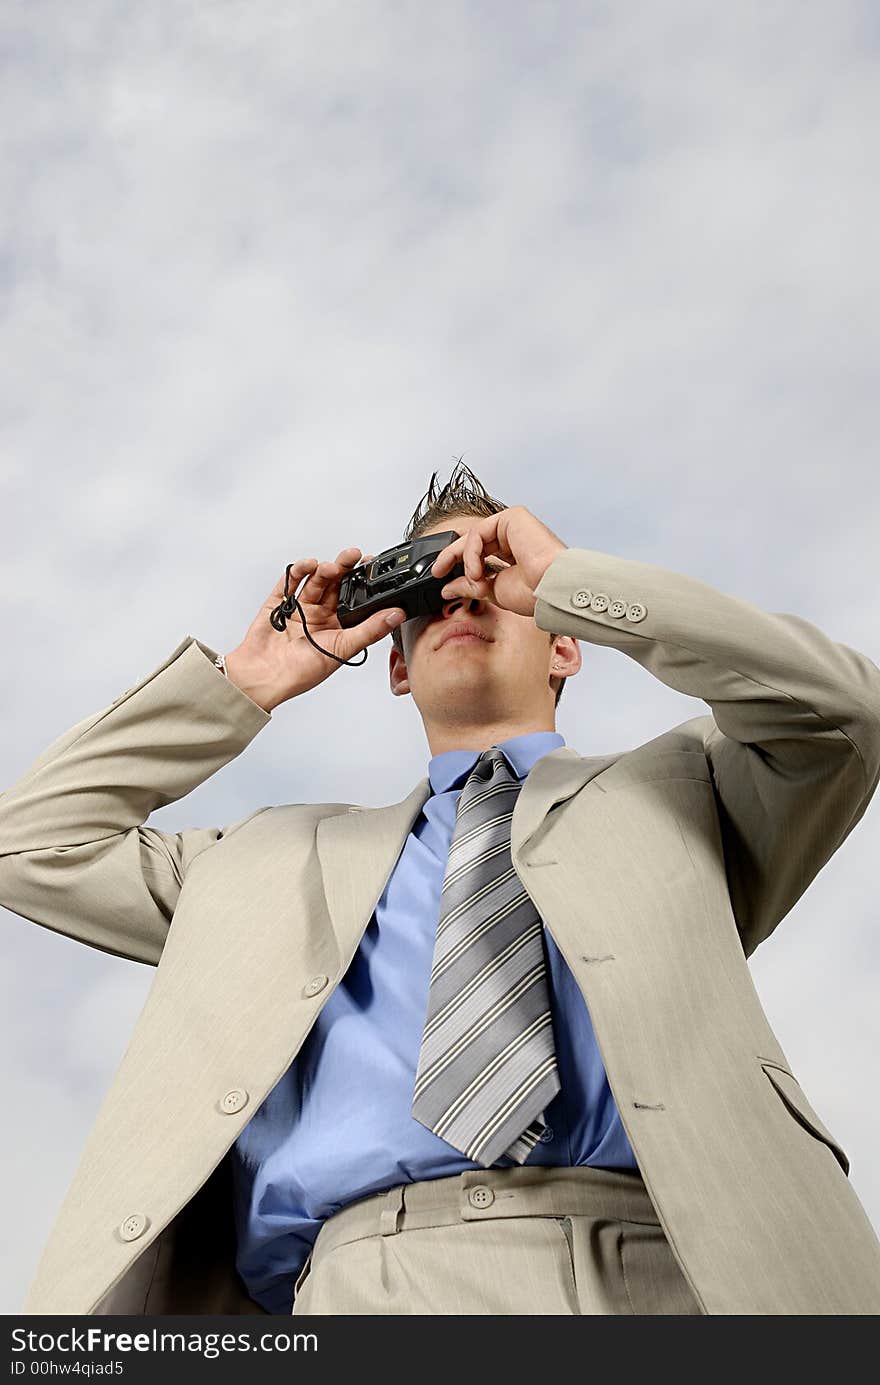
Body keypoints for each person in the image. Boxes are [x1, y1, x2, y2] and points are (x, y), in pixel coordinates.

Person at [4, 461, 880, 1316]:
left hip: (677, 1276)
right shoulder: (263, 860)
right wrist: (251, 678)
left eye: (494, 576)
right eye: (428, 585)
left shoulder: (694, 789)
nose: (461, 594)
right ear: (394, 664)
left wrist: (574, 578)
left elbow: (842, 713)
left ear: (566, 642)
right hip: (362, 1287)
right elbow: (30, 841)